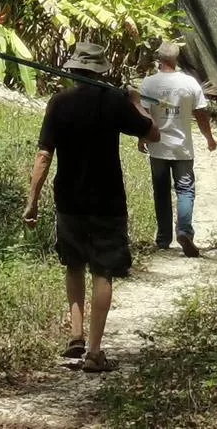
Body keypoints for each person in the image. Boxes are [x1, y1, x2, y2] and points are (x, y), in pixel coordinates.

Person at [24, 40, 158, 374]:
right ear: (101, 71)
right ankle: (94, 352)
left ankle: (76, 335)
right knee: (102, 272)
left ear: (72, 71)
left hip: (68, 200)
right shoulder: (115, 102)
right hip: (107, 202)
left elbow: (44, 155)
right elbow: (153, 133)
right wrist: (137, 103)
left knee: (73, 265)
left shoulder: (59, 103)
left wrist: (32, 200)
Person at [138, 39, 217, 256]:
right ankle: (184, 231)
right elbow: (201, 114)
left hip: (157, 148)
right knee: (185, 190)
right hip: (182, 148)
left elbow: (143, 115)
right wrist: (209, 138)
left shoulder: (149, 84)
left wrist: (142, 138)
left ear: (159, 59)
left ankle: (163, 239)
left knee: (161, 192)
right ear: (176, 58)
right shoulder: (190, 83)